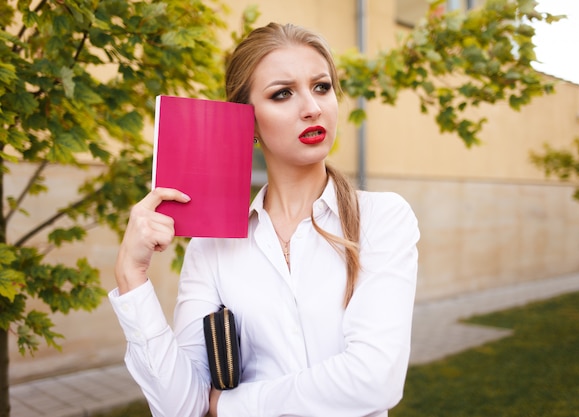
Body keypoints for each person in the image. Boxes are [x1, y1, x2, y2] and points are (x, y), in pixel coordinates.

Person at [109, 22, 419, 417]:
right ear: (248, 121)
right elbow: (182, 407)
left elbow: (374, 380)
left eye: (321, 87)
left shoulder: (382, 218)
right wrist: (132, 278)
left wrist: (232, 405)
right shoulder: (213, 244)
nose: (312, 107)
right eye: (283, 94)